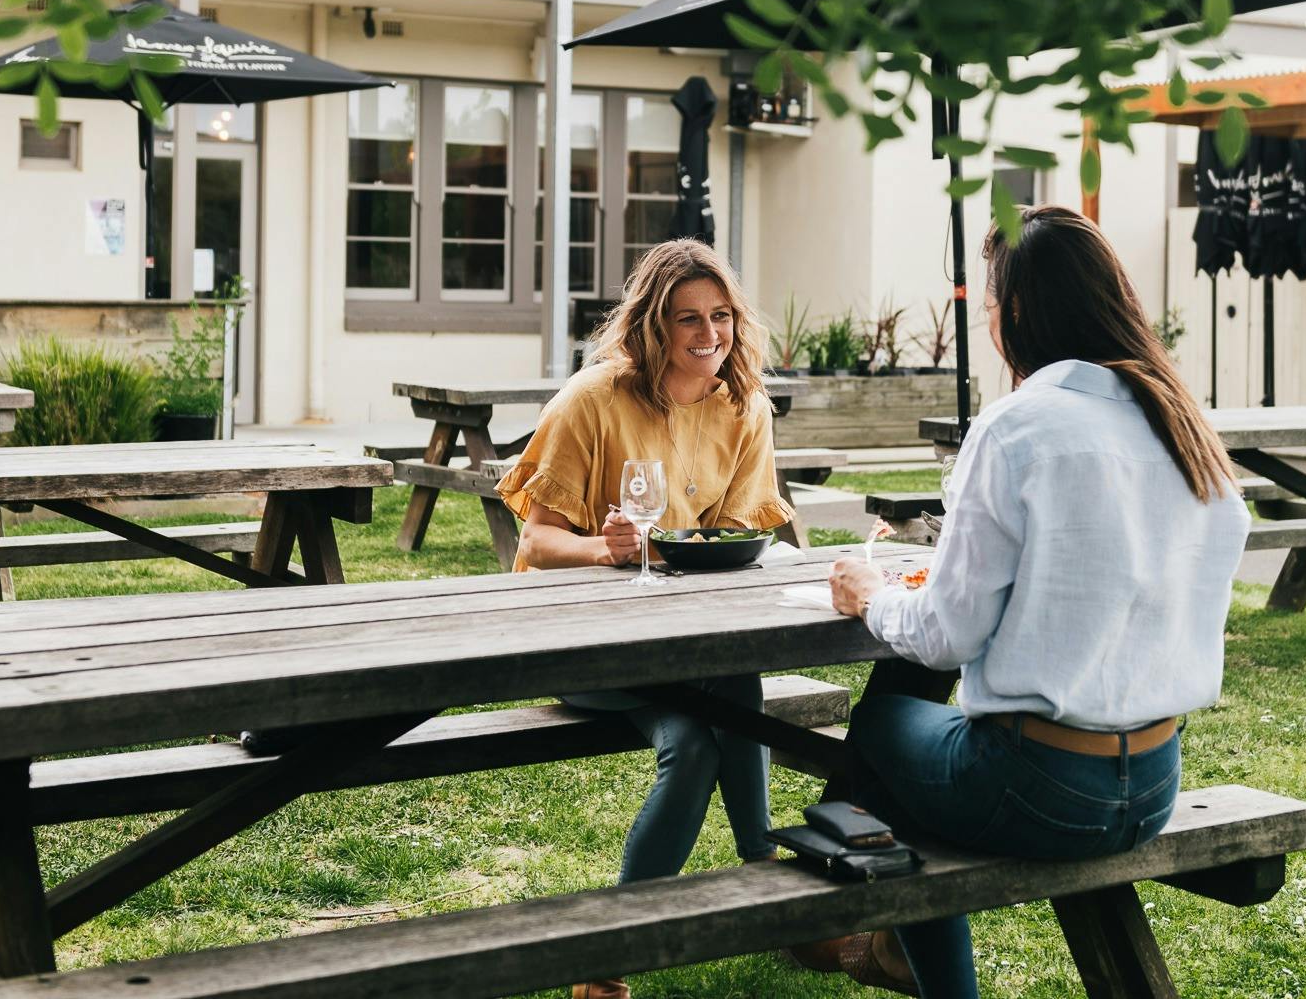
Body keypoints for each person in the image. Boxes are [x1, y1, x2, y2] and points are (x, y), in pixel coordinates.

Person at [824, 205, 1251, 998]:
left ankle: (894, 950)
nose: (990, 323)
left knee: (880, 725)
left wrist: (873, 595)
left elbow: (949, 634)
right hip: (1153, 778)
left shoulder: (1017, 426)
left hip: (1041, 786)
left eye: (988, 307)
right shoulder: (1182, 422)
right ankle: (865, 934)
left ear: (1015, 310)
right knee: (910, 712)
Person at [495, 238, 792, 999]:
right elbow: (534, 540)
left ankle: (608, 959)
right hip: (580, 643)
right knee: (722, 703)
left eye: (721, 315)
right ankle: (771, 882)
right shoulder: (591, 400)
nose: (709, 335)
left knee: (702, 729)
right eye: (687, 318)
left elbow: (730, 532)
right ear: (654, 324)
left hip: (680, 644)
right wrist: (604, 549)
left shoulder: (744, 406)